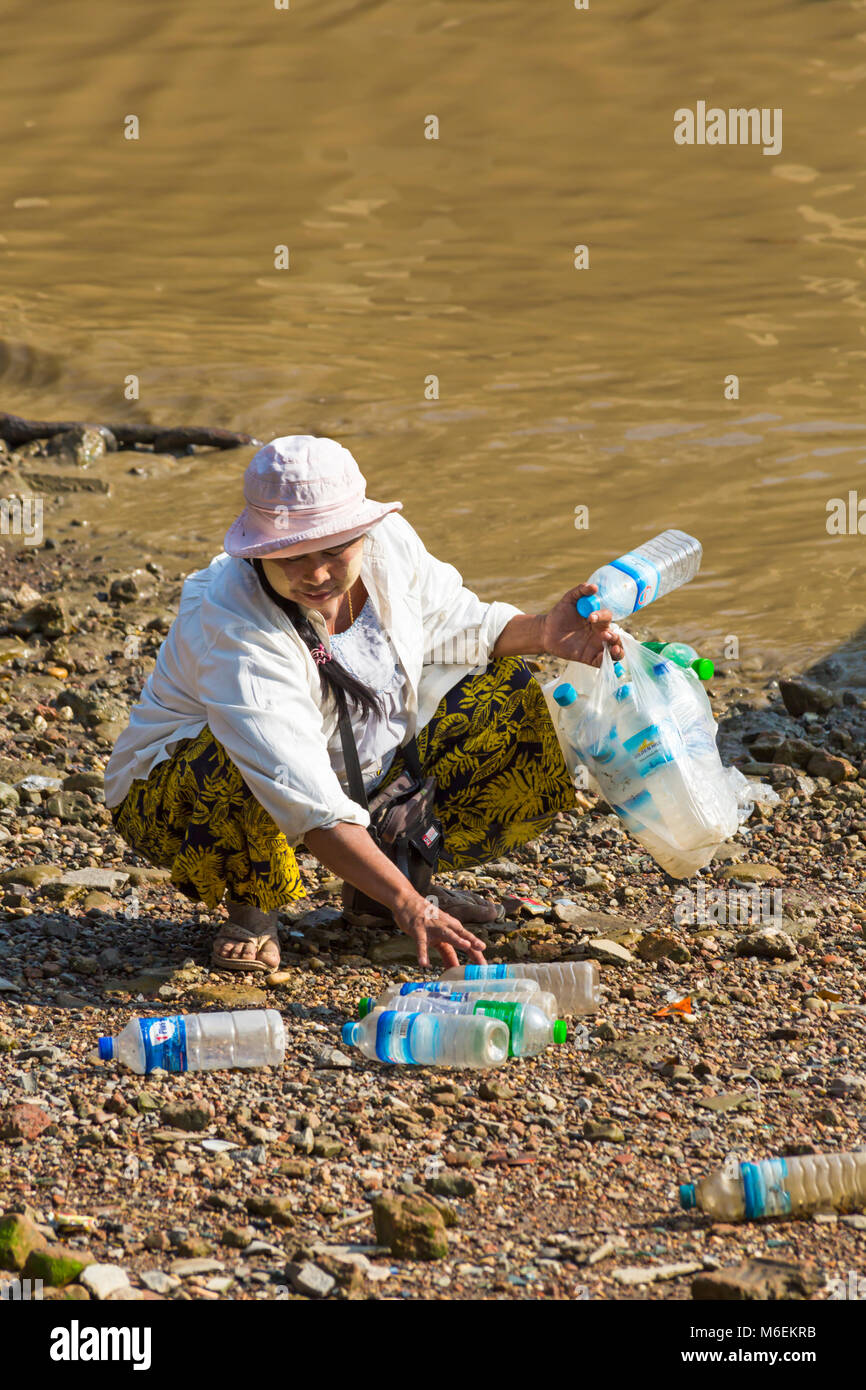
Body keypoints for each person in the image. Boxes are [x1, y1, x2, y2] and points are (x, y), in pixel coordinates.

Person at [104, 436, 623, 974]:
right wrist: (413, 907)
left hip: (350, 769)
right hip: (177, 793)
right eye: (292, 555)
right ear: (258, 549)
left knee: (501, 688)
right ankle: (252, 902)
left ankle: (378, 892)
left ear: (362, 532)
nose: (317, 574)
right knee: (237, 758)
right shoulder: (236, 627)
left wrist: (543, 632)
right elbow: (302, 794)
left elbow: (462, 626)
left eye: (334, 549)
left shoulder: (388, 545)